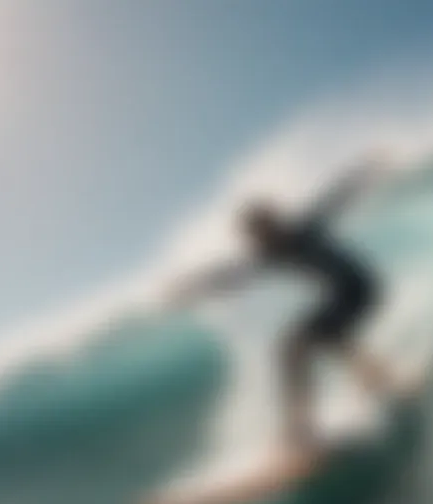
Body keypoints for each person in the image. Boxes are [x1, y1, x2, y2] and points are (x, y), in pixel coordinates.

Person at [169, 159, 395, 457]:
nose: (263, 239)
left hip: (361, 287)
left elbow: (336, 197)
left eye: (266, 230)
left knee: (299, 344)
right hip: (340, 296)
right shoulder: (268, 255)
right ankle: (375, 378)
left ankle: (303, 428)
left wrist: (367, 171)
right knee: (316, 339)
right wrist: (192, 288)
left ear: (275, 223)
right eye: (257, 235)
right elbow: (231, 274)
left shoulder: (305, 228)